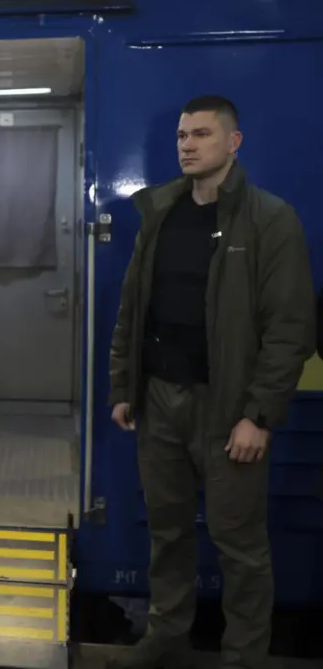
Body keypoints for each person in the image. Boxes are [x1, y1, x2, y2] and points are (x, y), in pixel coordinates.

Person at [107, 95, 316, 669]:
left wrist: (260, 414)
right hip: (159, 402)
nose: (187, 145)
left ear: (233, 142)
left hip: (229, 411)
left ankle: (244, 655)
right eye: (182, 136)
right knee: (167, 533)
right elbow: (133, 309)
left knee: (239, 544)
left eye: (201, 134)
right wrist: (123, 388)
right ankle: (167, 637)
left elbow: (290, 327)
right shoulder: (160, 214)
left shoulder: (269, 219)